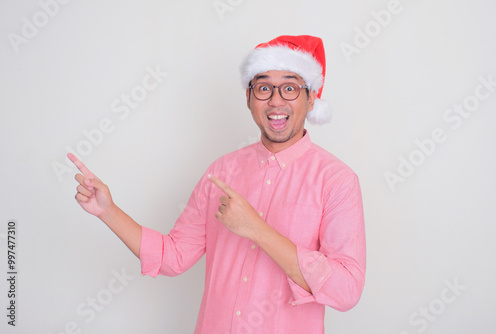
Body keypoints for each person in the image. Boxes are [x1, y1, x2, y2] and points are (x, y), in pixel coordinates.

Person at [69, 35, 366, 334]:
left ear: (311, 97)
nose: (276, 100)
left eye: (290, 88)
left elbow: (346, 289)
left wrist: (256, 229)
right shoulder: (223, 171)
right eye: (264, 88)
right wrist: (108, 211)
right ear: (248, 98)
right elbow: (173, 257)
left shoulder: (337, 180)